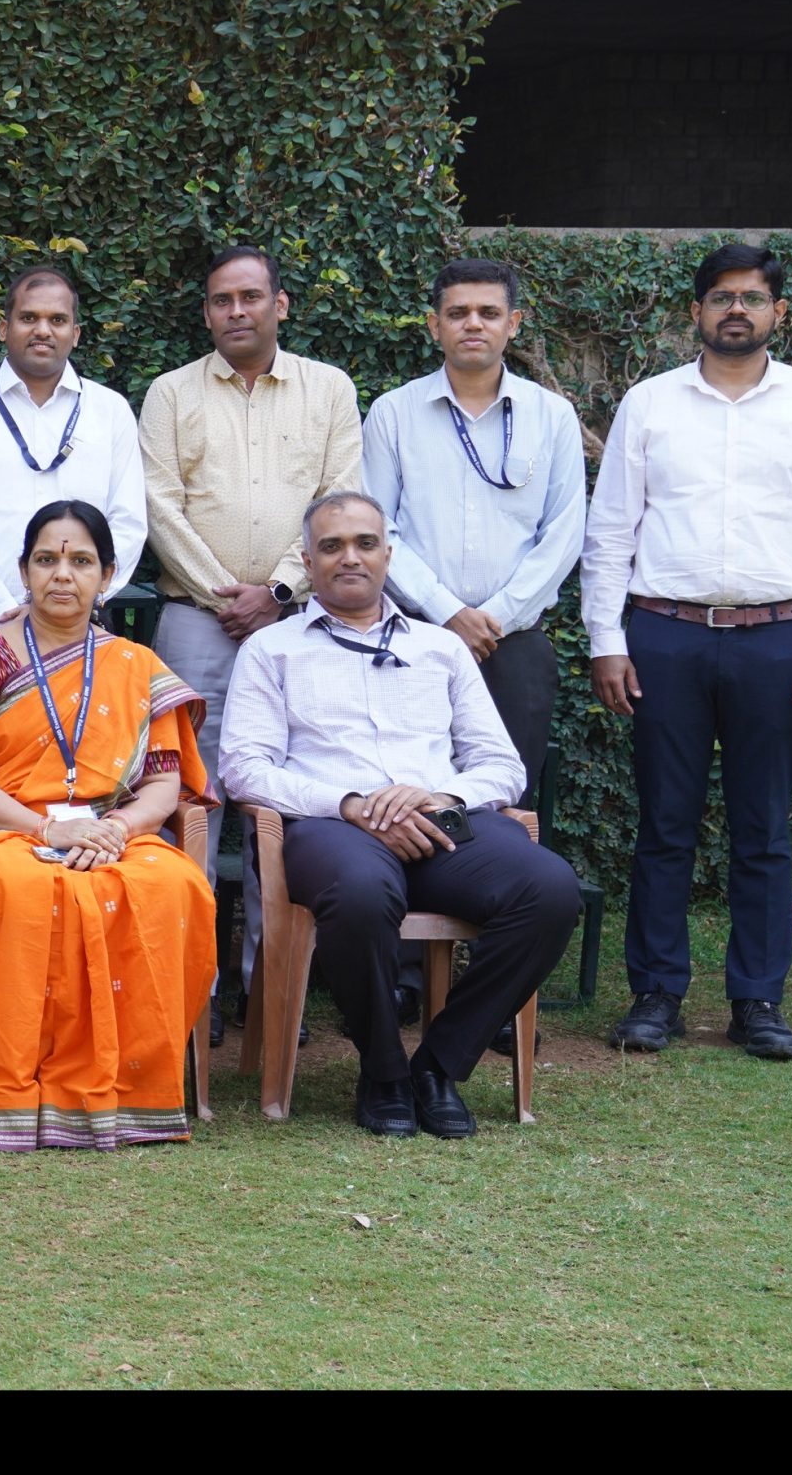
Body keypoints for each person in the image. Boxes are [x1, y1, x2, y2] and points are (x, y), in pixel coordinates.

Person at [583, 244, 792, 1062]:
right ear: (697, 312)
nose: (735, 309)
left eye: (752, 297)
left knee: (764, 829)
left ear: (780, 312)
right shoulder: (650, 404)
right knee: (664, 825)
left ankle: (757, 1000)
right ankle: (656, 993)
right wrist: (608, 640)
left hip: (781, 638)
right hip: (665, 634)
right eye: (720, 297)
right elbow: (610, 533)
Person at [223, 492, 581, 1139]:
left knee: (550, 889)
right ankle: (384, 1071)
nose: (349, 557)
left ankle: (439, 1067)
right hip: (331, 831)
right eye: (331, 547)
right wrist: (351, 804)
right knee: (361, 892)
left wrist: (438, 796)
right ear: (308, 561)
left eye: (365, 543)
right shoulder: (272, 650)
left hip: (441, 824)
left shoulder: (440, 649)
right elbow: (244, 768)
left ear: (389, 554)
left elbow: (501, 766)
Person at [0, 499, 215, 1152]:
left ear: (107, 574)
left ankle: (135, 1094)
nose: (63, 574)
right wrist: (45, 830)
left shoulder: (136, 666)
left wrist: (120, 829)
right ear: (24, 571)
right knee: (24, 892)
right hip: (5, 834)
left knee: (171, 888)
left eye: (81, 560)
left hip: (114, 834)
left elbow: (164, 782)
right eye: (47, 559)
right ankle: (6, 1098)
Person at [139, 245, 362, 1001]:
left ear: (280, 304)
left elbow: (340, 500)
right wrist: (225, 594)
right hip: (195, 624)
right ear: (207, 312)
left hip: (299, 622)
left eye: (250, 298)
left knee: (285, 799)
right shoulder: (171, 394)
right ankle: (185, 988)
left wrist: (279, 589)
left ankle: (275, 990)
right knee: (191, 800)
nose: (236, 312)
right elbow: (157, 504)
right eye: (220, 301)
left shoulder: (329, 390)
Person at [362, 257, 586, 794]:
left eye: (489, 312)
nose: (473, 324)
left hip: (516, 643)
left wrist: (496, 618)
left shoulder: (551, 415)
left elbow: (564, 532)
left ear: (514, 324)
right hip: (415, 635)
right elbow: (378, 530)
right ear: (434, 325)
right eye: (457, 312)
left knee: (508, 795)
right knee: (410, 789)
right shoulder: (394, 413)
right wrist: (448, 612)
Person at [0, 264, 146, 683]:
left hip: (86, 627)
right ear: (3, 328)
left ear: (76, 334)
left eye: (57, 320)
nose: (43, 330)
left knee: (90, 749)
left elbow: (129, 523)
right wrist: (5, 610)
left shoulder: (111, 410)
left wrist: (77, 601)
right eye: (29, 318)